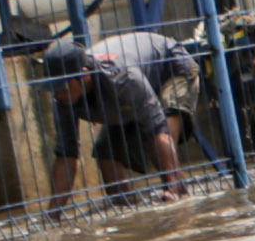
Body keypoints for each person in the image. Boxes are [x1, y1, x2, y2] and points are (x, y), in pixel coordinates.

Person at [41, 28, 192, 213]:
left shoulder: (123, 78)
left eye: (62, 87)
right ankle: (128, 211)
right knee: (106, 153)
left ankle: (179, 196)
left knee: (160, 129)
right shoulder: (62, 99)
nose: (57, 93)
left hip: (170, 66)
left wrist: (171, 188)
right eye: (53, 88)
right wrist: (52, 215)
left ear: (84, 75)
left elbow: (158, 129)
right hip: (130, 93)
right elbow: (66, 155)